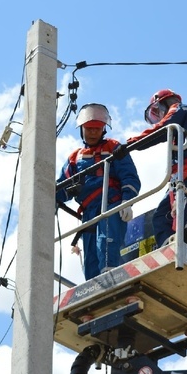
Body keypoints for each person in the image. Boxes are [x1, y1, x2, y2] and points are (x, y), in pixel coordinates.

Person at [125, 89, 187, 266]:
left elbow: (163, 128)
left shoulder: (179, 109)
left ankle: (169, 255)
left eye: (156, 111)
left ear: (163, 102)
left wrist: (130, 144)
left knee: (163, 216)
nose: (158, 116)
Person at [56, 103, 141, 280]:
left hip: (110, 204)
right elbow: (62, 188)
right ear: (82, 130)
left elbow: (129, 176)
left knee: (107, 241)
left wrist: (127, 201)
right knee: (91, 256)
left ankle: (111, 279)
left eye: (97, 128)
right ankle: (94, 287)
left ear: (103, 129)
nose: (93, 132)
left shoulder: (113, 147)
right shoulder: (75, 158)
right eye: (89, 129)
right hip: (88, 213)